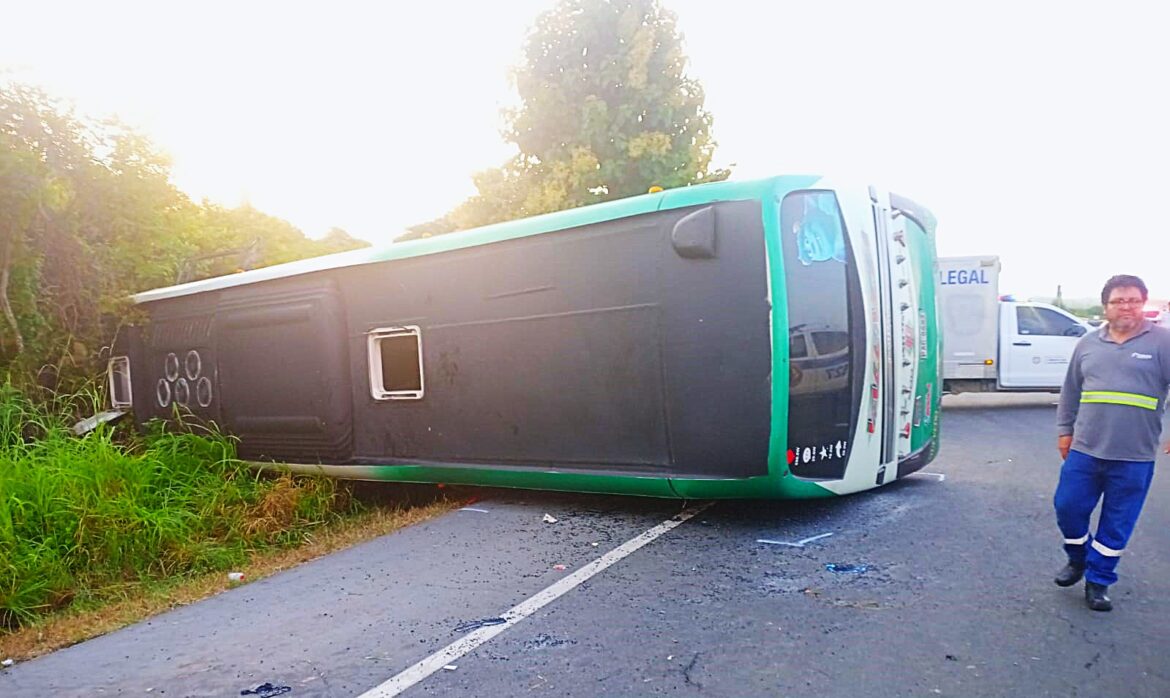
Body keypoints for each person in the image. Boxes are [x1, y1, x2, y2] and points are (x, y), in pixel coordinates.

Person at [1053, 274, 1170, 611]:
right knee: (1068, 508)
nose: (1126, 307)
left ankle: (1098, 581)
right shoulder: (1088, 344)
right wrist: (1065, 431)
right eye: (1118, 301)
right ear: (1106, 306)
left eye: (1133, 300)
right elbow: (1070, 391)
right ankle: (1078, 558)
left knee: (1117, 522)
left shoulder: (1162, 342)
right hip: (1085, 450)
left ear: (1143, 303)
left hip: (1135, 456)